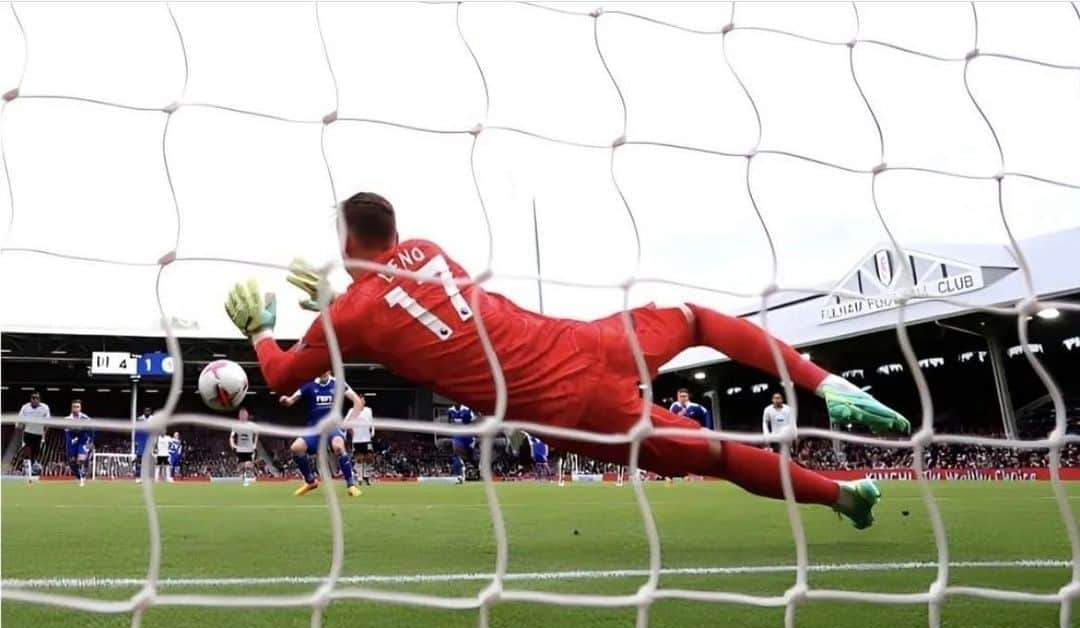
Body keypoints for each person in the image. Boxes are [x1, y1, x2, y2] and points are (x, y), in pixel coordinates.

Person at [225, 192, 911, 529]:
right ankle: (825, 381)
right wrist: (340, 299)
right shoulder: (429, 250)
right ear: (395, 233)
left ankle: (842, 496)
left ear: (345, 245)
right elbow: (409, 309)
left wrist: (264, 328)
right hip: (586, 339)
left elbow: (287, 372)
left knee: (717, 455)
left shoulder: (350, 317)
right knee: (699, 320)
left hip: (571, 409)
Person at [279, 371, 363, 497]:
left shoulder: (338, 383)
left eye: (326, 368)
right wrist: (285, 400)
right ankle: (310, 482)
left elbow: (357, 401)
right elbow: (291, 400)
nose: (323, 372)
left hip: (333, 426)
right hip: (315, 428)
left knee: (338, 447)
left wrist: (349, 422)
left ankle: (351, 485)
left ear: (329, 369)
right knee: (296, 448)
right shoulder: (309, 385)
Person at [16, 391, 50, 477]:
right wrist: (18, 426)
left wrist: (44, 434)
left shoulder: (45, 408)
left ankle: (31, 467)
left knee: (35, 454)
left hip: (38, 435)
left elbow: (48, 423)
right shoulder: (25, 407)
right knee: (27, 454)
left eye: (37, 398)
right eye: (33, 398)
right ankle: (27, 470)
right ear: (30, 399)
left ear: (40, 399)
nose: (35, 400)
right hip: (28, 433)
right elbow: (19, 422)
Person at [347, 395, 375, 486]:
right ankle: (358, 475)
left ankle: (366, 476)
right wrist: (350, 431)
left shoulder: (368, 410)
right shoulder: (352, 411)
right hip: (357, 439)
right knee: (359, 459)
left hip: (367, 438)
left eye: (363, 400)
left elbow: (372, 421)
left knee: (369, 457)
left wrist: (373, 431)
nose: (362, 402)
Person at [64, 399, 93, 487]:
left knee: (81, 459)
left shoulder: (85, 418)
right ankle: (79, 476)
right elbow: (67, 433)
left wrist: (91, 441)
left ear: (80, 408)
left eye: (77, 407)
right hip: (72, 440)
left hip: (83, 439)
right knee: (72, 462)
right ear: (71, 408)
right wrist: (70, 443)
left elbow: (91, 430)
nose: (76, 408)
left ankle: (83, 475)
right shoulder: (67, 419)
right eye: (74, 407)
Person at [446, 404, 476, 484]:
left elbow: (474, 421)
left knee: (470, 456)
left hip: (467, 435)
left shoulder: (467, 410)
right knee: (456, 453)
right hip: (457, 435)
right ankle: (459, 473)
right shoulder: (450, 410)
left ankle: (470, 468)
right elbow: (449, 422)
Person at [230, 407, 259, 485]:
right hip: (240, 449)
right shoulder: (236, 425)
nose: (242, 416)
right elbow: (232, 436)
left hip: (249, 448)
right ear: (239, 416)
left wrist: (255, 444)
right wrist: (233, 444)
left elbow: (257, 434)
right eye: (241, 414)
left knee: (248, 464)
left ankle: (250, 477)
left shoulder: (252, 425)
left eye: (244, 414)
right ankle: (245, 477)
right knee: (240, 466)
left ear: (247, 415)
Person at [133, 406, 152, 482]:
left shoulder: (153, 419)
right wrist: (136, 441)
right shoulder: (140, 419)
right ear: (144, 412)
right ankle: (138, 477)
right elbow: (136, 431)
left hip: (149, 442)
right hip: (141, 442)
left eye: (149, 411)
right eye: (146, 411)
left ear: (150, 412)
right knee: (139, 461)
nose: (147, 412)